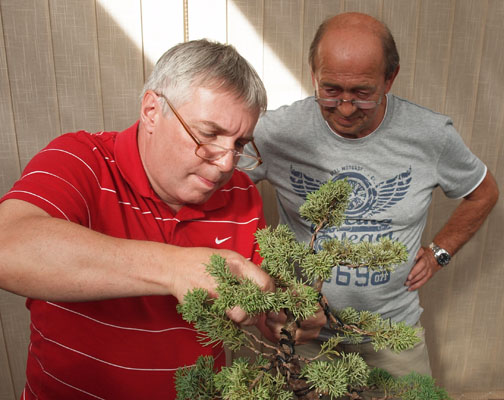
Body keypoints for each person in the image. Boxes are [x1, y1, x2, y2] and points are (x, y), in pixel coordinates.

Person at [0, 39, 322, 399]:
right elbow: (7, 246)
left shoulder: (241, 194)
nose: (226, 163)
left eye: (239, 145)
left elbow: (264, 295)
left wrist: (283, 313)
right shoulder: (80, 160)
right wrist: (173, 267)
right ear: (152, 111)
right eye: (208, 134)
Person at [245, 12, 499, 379]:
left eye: (362, 93)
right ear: (314, 74)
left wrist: (439, 253)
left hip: (392, 334)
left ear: (389, 79)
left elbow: (484, 192)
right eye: (331, 90)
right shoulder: (277, 133)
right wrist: (257, 277)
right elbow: (220, 188)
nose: (346, 108)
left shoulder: (430, 135)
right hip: (305, 334)